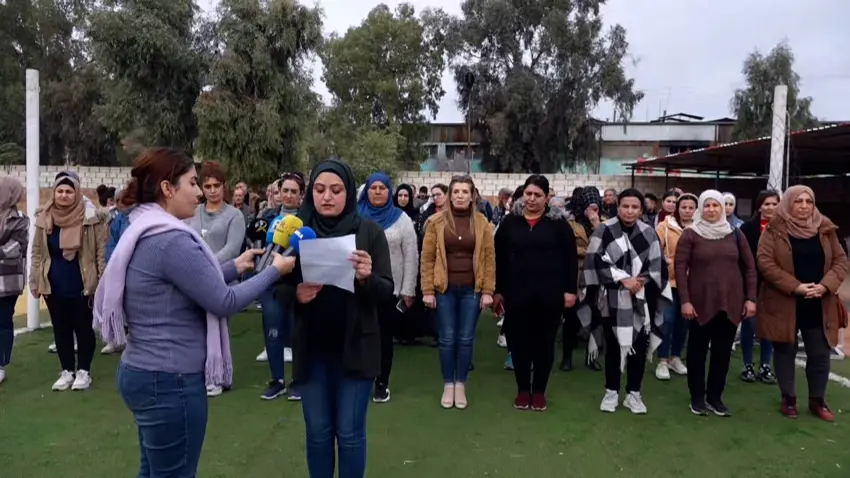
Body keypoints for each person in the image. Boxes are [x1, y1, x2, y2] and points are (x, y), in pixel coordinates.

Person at [94, 147, 295, 477]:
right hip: (169, 380)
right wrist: (274, 271)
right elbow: (224, 302)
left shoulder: (144, 226)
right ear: (167, 188)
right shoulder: (172, 240)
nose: (200, 192)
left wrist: (233, 266)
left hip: (141, 370)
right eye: (192, 182)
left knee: (154, 471)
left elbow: (182, 282)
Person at [274, 159, 392, 478]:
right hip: (311, 349)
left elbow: (386, 291)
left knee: (350, 434)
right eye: (320, 189)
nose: (327, 197)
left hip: (357, 349)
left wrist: (367, 277)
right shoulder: (298, 231)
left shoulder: (369, 232)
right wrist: (295, 293)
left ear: (349, 193)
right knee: (318, 433)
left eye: (336, 190)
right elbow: (277, 287)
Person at [756, 185, 848, 421]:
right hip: (785, 301)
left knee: (819, 353)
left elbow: (840, 261)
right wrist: (795, 286)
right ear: (788, 203)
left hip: (819, 302)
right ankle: (788, 398)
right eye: (798, 201)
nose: (804, 206)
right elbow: (765, 262)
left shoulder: (825, 228)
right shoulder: (774, 229)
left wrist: (825, 285)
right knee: (785, 350)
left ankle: (817, 400)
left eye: (809, 201)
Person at [578, 188, 670, 415]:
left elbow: (658, 267)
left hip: (641, 300)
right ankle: (611, 392)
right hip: (610, 299)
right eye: (625, 206)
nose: (629, 211)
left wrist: (639, 280)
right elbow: (593, 262)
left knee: (638, 348)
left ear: (642, 209)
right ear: (617, 207)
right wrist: (621, 278)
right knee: (612, 347)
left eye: (635, 207)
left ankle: (633, 394)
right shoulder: (604, 230)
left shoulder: (649, 233)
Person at [494, 175, 577, 411]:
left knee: (544, 343)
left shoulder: (559, 224)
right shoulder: (510, 222)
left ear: (547, 197)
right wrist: (499, 290)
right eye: (528, 194)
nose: (531, 199)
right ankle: (522, 390)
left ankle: (539, 391)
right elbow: (499, 258)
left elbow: (571, 259)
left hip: (550, 295)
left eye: (537, 195)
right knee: (519, 343)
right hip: (516, 294)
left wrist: (570, 290)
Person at [675, 190, 757, 417]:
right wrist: (685, 301)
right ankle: (697, 398)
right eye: (707, 205)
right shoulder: (691, 234)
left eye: (716, 205)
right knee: (697, 353)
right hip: (699, 304)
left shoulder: (735, 234)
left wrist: (750, 298)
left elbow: (750, 268)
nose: (711, 210)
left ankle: (715, 398)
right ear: (702, 208)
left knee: (721, 353)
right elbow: (680, 270)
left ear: (723, 208)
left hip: (731, 303)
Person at [421, 175, 495, 409]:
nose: (460, 196)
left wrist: (488, 290)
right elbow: (427, 258)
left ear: (472, 195)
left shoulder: (482, 222)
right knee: (447, 338)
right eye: (456, 192)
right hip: (444, 289)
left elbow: (489, 259)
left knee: (465, 339)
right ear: (450, 195)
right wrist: (428, 290)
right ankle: (448, 385)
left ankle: (460, 384)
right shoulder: (436, 222)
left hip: (472, 290)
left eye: (465, 191)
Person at [30, 173, 107, 391]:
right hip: (53, 284)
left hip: (83, 282)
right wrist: (35, 281)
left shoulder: (91, 218)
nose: (64, 195)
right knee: (61, 329)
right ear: (54, 193)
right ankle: (67, 371)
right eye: (60, 191)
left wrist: (102, 281)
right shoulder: (44, 217)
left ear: (77, 193)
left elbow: (100, 253)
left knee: (83, 328)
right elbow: (37, 252)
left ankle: (84, 371)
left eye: (69, 191)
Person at [357, 173, 418, 403]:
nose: (378, 192)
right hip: (358, 286)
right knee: (359, 334)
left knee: (383, 337)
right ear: (367, 191)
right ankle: (361, 378)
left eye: (383, 188)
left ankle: (382, 382)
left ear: (389, 191)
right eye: (374, 188)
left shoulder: (400, 219)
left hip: (388, 290)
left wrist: (408, 289)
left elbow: (411, 255)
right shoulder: (355, 216)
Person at [256, 172, 305, 401]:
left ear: (301, 195)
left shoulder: (307, 220)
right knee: (273, 331)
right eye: (284, 190)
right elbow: (255, 245)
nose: (288, 195)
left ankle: (298, 381)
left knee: (297, 332)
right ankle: (277, 380)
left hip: (296, 285)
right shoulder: (266, 216)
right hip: (269, 283)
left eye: (293, 191)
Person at [653, 193, 697, 381]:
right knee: (667, 321)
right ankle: (662, 360)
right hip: (669, 282)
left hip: (692, 283)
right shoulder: (664, 226)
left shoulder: (700, 228)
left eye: (690, 208)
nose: (687, 211)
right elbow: (654, 251)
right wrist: (666, 261)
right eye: (683, 207)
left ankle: (675, 357)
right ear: (677, 208)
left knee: (683, 323)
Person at [738, 190, 780, 384]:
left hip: (775, 286)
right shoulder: (747, 228)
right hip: (752, 284)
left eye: (774, 204)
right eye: (767, 204)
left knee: (769, 327)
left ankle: (765, 365)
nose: (770, 207)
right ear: (759, 206)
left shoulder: (785, 228)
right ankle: (747, 365)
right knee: (749, 324)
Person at [561, 186, 604, 372]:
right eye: (589, 206)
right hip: (576, 276)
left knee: (597, 317)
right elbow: (565, 247)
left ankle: (592, 355)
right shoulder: (569, 223)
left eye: (596, 207)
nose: (592, 211)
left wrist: (597, 227)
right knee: (571, 317)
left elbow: (612, 247)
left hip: (597, 278)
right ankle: (567, 357)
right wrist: (588, 252)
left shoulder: (606, 223)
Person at [187, 161, 246, 266]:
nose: (212, 190)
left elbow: (232, 250)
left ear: (223, 186)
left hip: (224, 276)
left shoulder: (235, 215)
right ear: (202, 188)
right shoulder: (192, 212)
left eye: (216, 185)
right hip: (193, 275)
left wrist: (205, 265)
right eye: (208, 186)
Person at [0, 177, 29, 385]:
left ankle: (1, 365)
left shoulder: (19, 219)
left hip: (7, 280)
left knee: (2, 321)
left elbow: (16, 248)